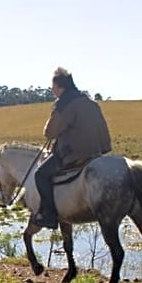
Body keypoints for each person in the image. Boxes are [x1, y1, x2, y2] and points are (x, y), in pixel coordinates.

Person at [33, 67, 112, 228]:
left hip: (74, 154)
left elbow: (50, 133)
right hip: (96, 152)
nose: (53, 91)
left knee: (40, 175)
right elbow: (102, 127)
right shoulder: (91, 102)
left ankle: (50, 215)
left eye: (53, 87)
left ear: (59, 86)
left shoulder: (65, 104)